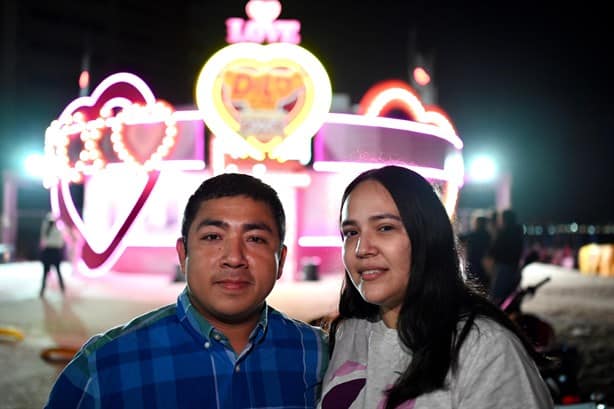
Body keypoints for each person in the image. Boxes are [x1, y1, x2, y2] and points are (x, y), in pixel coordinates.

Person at [45, 173, 328, 409]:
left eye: (255, 238)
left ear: (281, 260)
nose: (234, 257)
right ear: (183, 255)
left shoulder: (320, 355)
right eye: (213, 237)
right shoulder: (104, 365)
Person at [318, 166, 552, 409]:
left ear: (428, 235)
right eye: (351, 232)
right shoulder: (348, 333)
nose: (361, 249)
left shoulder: (485, 349)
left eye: (385, 227)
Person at [489, 208, 525, 305]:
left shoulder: (504, 232)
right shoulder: (518, 232)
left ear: (505, 219)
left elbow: (494, 250)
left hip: (503, 266)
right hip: (514, 266)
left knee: (497, 297)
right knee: (510, 295)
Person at [459, 214, 492, 290]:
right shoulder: (488, 235)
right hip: (484, 263)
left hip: (473, 261)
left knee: (472, 283)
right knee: (483, 283)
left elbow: (461, 238)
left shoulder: (473, 235)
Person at [39, 212, 66, 296]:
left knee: (47, 272)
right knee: (56, 271)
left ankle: (43, 290)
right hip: (54, 252)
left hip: (49, 251)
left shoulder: (47, 229)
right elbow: (61, 242)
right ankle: (62, 289)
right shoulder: (57, 229)